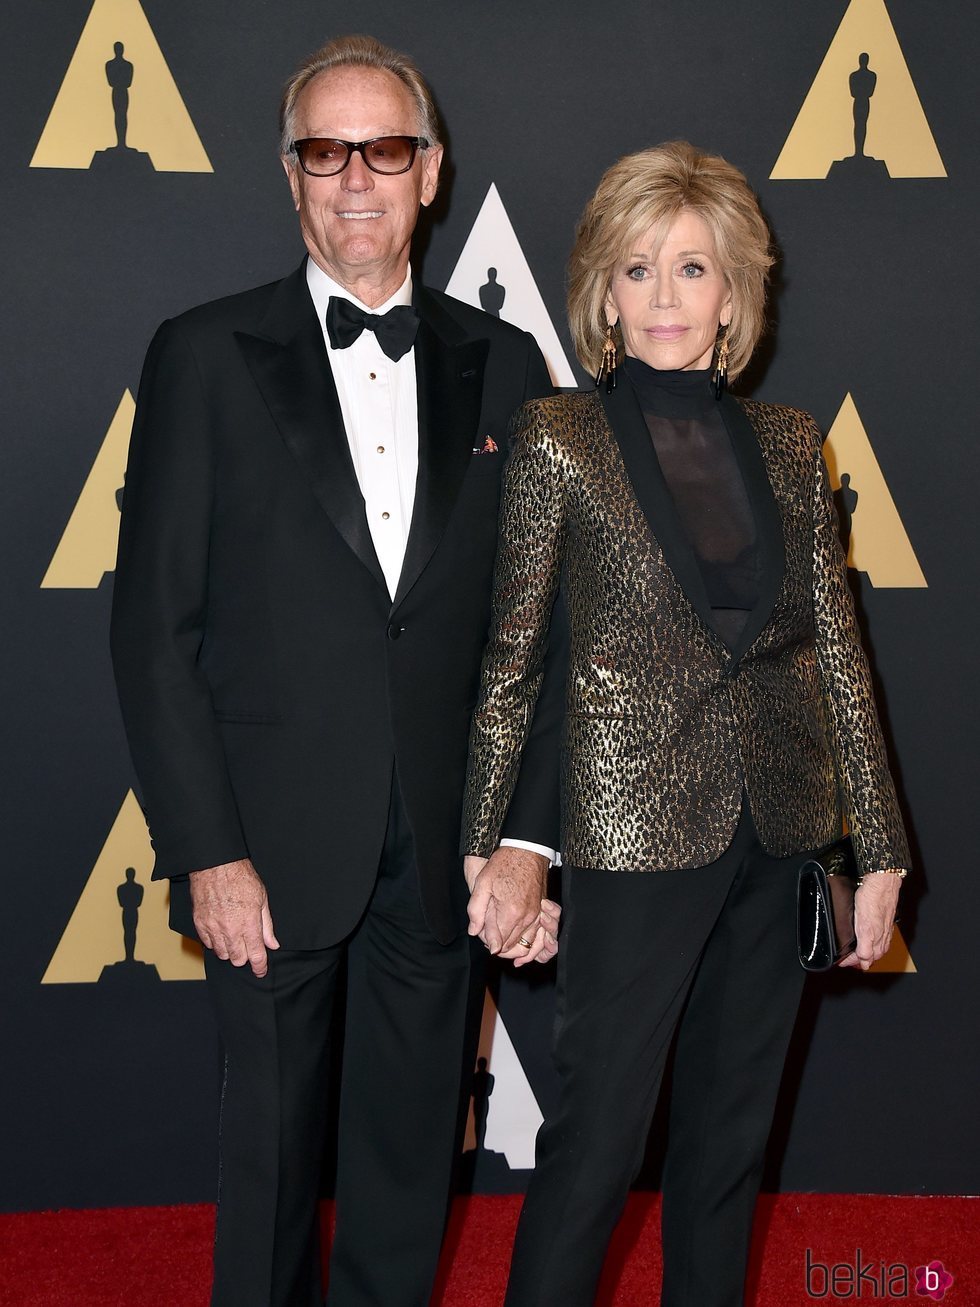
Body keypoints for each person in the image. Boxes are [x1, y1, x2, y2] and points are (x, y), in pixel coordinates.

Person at [110, 33, 561, 1307]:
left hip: (439, 851)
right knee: (263, 1171)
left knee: (410, 1164)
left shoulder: (508, 366)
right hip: (264, 847)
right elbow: (152, 626)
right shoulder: (201, 355)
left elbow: (539, 635)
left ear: (430, 172)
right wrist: (207, 848)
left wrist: (519, 839)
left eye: (384, 149)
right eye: (325, 150)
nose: (354, 178)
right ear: (290, 174)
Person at [462, 140, 910, 1307]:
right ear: (603, 292)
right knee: (595, 1150)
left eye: (693, 268)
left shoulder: (787, 444)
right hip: (627, 836)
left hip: (775, 834)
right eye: (639, 268)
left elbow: (835, 655)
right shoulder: (557, 437)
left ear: (735, 293)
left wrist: (877, 849)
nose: (666, 297)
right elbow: (514, 658)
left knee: (725, 1153)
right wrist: (491, 841)